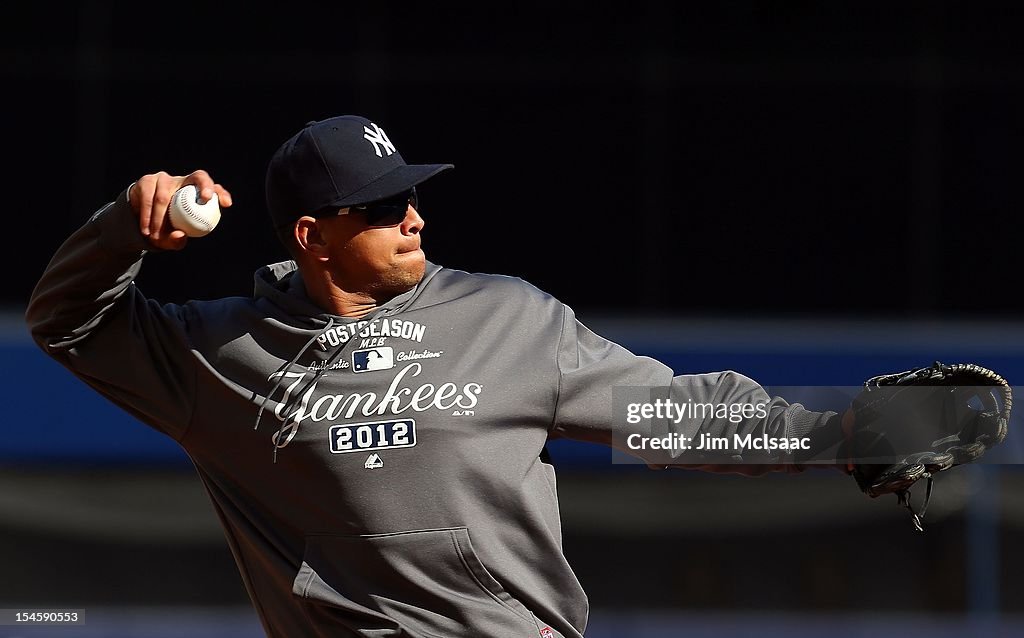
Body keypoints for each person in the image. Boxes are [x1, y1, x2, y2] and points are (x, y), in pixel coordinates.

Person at [27, 115, 847, 638]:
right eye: (381, 208)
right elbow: (66, 324)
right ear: (312, 236)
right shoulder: (218, 354)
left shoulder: (507, 319)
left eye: (410, 197)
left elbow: (675, 415)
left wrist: (864, 434)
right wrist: (121, 231)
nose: (413, 216)